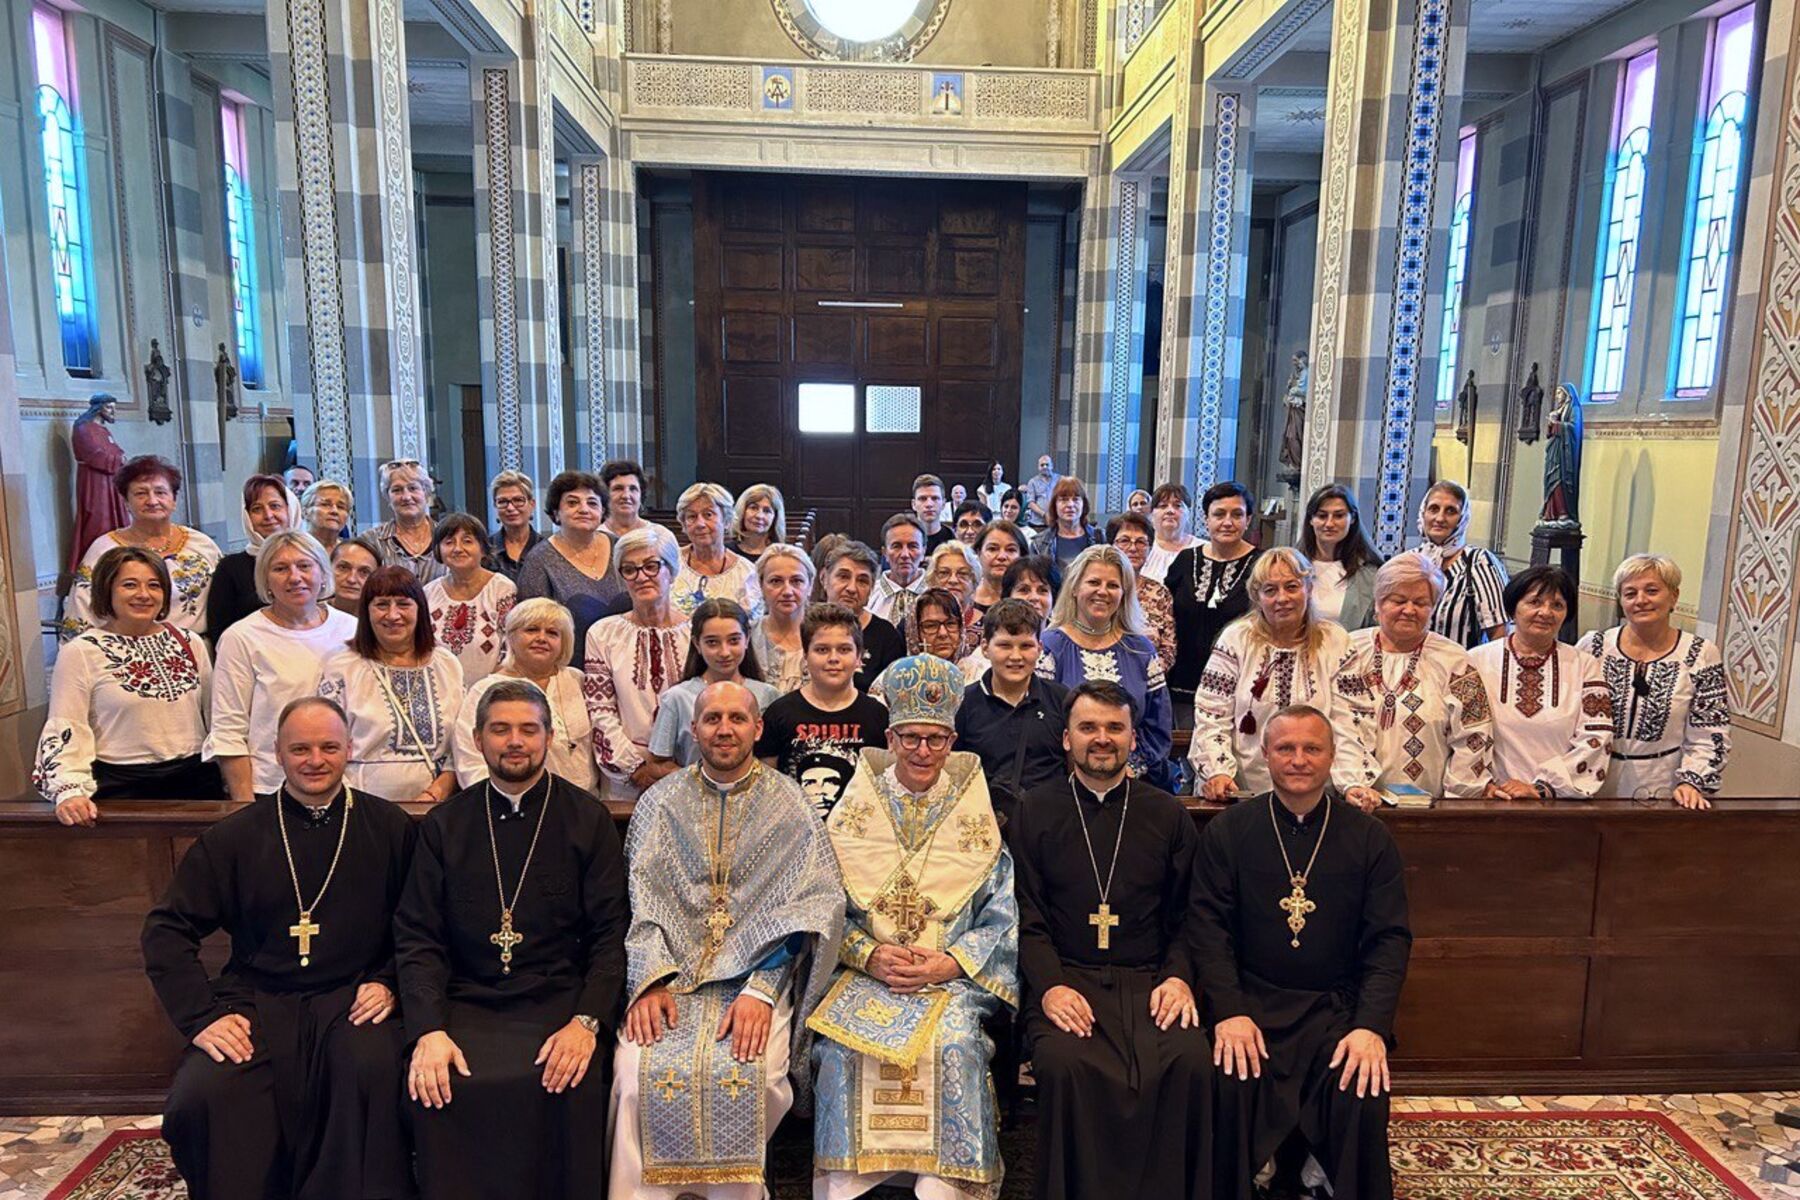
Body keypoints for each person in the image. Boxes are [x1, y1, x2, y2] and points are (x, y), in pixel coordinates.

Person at [144, 697, 416, 1200]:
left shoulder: (390, 828)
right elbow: (166, 930)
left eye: (329, 746)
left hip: (353, 997)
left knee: (372, 1070)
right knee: (203, 1093)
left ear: (349, 749)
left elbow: (420, 925)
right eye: (301, 748)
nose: (316, 759)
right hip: (259, 997)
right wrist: (201, 1017)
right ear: (277, 752)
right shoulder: (236, 836)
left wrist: (389, 980)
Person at [609, 682, 846, 1198]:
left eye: (737, 718)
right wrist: (649, 983)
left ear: (757, 728)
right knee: (633, 1074)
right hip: (670, 978)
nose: (724, 729)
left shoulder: (790, 803)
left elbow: (812, 908)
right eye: (711, 718)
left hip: (757, 978)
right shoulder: (658, 803)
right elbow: (639, 904)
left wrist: (762, 991)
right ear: (692, 730)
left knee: (752, 1076)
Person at [396, 682, 628, 1200]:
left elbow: (612, 934)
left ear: (548, 737)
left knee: (573, 1082)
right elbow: (418, 937)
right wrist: (427, 1030)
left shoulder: (587, 819)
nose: (515, 741)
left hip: (559, 999)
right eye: (501, 729)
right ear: (478, 739)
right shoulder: (444, 825)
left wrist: (587, 1022)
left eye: (529, 729)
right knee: (438, 1083)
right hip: (468, 999)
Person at [810, 655, 1018, 1198]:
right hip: (867, 974)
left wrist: (949, 962)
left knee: (954, 1045)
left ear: (952, 739)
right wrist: (866, 954)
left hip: (948, 979)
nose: (922, 751)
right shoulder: (853, 811)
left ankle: (943, 1188)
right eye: (910, 738)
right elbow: (826, 909)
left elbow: (1001, 913)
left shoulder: (975, 811)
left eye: (935, 739)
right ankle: (851, 1187)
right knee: (841, 1049)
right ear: (890, 737)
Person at [1193, 705, 1412, 1200]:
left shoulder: (1369, 838)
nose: (1298, 760)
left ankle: (1324, 1175)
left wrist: (1370, 1027)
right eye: (1285, 748)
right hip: (1252, 1003)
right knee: (1227, 1075)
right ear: (1265, 755)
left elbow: (1389, 940)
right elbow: (1208, 930)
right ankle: (1255, 1173)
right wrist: (1228, 1011)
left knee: (1362, 1083)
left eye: (1312, 748)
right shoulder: (1230, 832)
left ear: (1332, 756)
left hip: (1335, 1008)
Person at [1014, 682, 1210, 1199]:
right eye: (1088, 727)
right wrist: (1050, 987)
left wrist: (1178, 977)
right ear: (1065, 739)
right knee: (1062, 1064)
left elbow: (1190, 913)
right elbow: (1025, 913)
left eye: (1114, 727)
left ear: (1133, 738)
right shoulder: (1035, 809)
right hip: (1068, 978)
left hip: (1150, 979)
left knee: (1188, 1059)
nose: (1102, 739)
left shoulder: (1167, 814)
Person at [36, 546, 221, 824]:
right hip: (122, 789)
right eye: (130, 585)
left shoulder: (189, 642)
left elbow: (213, 716)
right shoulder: (82, 652)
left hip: (197, 783)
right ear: (107, 590)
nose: (144, 595)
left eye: (154, 585)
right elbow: (66, 724)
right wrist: (69, 789)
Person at [1329, 555, 1496, 803]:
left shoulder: (1455, 661)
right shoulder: (1349, 650)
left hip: (1428, 808)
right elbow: (1340, 725)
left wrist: (1459, 798)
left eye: (1421, 602)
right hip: (1354, 802)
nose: (1409, 610)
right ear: (1378, 604)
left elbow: (1474, 735)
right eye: (1398, 600)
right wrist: (1354, 784)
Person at [206, 531, 358, 802]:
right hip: (271, 788)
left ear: (323, 573)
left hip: (348, 786)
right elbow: (228, 730)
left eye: (304, 566)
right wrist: (244, 806)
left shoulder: (352, 629)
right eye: (280, 568)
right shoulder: (241, 638)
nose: (295, 577)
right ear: (265, 579)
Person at [1192, 549, 1352, 799]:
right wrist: (1218, 771)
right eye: (1270, 590)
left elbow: (1349, 719)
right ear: (1257, 597)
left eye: (1292, 587)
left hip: (1317, 791)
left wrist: (1351, 782)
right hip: (1241, 791)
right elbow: (1211, 713)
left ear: (1309, 589)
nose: (1282, 598)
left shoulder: (1335, 640)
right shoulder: (1236, 639)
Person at [1577, 554, 1729, 807]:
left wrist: (1692, 781)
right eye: (1630, 593)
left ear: (1674, 596)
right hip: (1590, 778)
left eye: (1651, 590)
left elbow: (1711, 729)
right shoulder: (1594, 646)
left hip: (1663, 784)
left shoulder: (1700, 653)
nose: (1641, 600)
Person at [318, 566, 464, 804]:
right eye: (382, 604)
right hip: (361, 804)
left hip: (436, 805)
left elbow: (462, 740)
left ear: (420, 610)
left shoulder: (446, 664)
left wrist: (436, 793)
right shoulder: (342, 665)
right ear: (366, 612)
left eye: (403, 604)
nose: (393, 615)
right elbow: (325, 741)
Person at [1038, 545, 1175, 789]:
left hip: (1134, 782)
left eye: (1112, 585)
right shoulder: (1050, 646)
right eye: (1093, 582)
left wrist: (1129, 769)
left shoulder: (1141, 650)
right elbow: (1042, 724)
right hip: (1064, 784)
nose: (1103, 592)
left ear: (1124, 594)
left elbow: (1158, 725)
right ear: (1075, 588)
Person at [1470, 566, 1613, 799]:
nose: (1545, 612)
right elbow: (1461, 733)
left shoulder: (1584, 665)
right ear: (1513, 608)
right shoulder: (1476, 661)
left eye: (1557, 605)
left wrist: (1542, 787)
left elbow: (1597, 737)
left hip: (1559, 803)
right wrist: (1480, 784)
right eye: (1535, 602)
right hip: (1490, 798)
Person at [583, 525, 691, 802]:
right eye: (630, 570)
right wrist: (637, 770)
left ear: (673, 569)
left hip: (690, 774)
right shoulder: (603, 633)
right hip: (626, 782)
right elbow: (600, 711)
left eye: (652, 566)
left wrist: (685, 773)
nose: (641, 576)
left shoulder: (698, 631)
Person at [63, 455, 224, 640]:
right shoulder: (104, 550)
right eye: (141, 493)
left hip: (197, 652)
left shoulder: (202, 545)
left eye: (160, 492)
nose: (152, 501)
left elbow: (225, 600)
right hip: (128, 655)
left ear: (174, 500)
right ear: (125, 502)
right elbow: (81, 611)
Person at [756, 602, 890, 819]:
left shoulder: (878, 716)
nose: (833, 658)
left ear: (859, 657)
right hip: (796, 830)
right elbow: (766, 787)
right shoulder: (779, 713)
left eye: (844, 649)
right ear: (805, 656)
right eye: (822, 649)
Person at [453, 598, 597, 793]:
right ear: (511, 637)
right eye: (531, 630)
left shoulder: (578, 680)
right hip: (511, 808)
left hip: (582, 805)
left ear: (564, 643)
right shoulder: (485, 689)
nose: (541, 638)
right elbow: (470, 762)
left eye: (552, 633)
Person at [953, 599, 1069, 820]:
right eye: (1005, 645)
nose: (1016, 656)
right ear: (985, 648)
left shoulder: (1061, 699)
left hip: (1051, 824)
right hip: (981, 825)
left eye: (1026, 646)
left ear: (1040, 649)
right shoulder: (963, 704)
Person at [1167, 482, 1266, 722]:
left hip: (1238, 684)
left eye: (1237, 514)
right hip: (1181, 685)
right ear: (1206, 519)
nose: (1227, 522)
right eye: (1219, 514)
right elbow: (1165, 614)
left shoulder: (1262, 564)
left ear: (1248, 519)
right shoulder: (1185, 559)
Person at [648, 599, 780, 771]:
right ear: (697, 644)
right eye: (712, 642)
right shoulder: (677, 698)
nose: (724, 652)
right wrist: (697, 783)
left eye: (733, 641)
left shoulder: (769, 696)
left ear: (746, 639)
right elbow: (657, 762)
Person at [517, 469, 627, 653]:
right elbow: (532, 625)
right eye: (572, 503)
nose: (584, 509)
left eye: (592, 503)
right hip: (569, 666)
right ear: (556, 513)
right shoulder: (540, 560)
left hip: (626, 657)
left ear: (602, 512)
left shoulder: (620, 548)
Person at [205, 475, 300, 646]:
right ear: (247, 517)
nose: (268, 515)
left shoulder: (311, 560)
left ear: (290, 509)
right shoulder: (230, 568)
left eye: (275, 506)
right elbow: (219, 631)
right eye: (257, 509)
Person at [425, 513, 518, 682]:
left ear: (483, 549)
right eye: (449, 542)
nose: (458, 548)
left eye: (467, 541)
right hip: (441, 692)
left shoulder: (502, 589)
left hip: (492, 692)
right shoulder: (428, 593)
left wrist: (487, 689)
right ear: (438, 550)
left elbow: (512, 649)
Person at [1415, 480, 1509, 648]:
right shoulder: (1409, 561)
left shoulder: (1479, 562)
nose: (1440, 518)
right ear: (1423, 513)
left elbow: (1498, 633)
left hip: (1461, 669)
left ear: (1463, 518)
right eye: (1434, 509)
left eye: (1451, 511)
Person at [673, 482, 764, 619]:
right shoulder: (668, 564)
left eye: (708, 515)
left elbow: (752, 627)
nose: (700, 524)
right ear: (684, 525)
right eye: (692, 517)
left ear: (726, 521)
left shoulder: (747, 573)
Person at [1299, 484, 1382, 630]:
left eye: (1339, 515)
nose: (1329, 523)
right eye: (1322, 515)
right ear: (1311, 520)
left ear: (1353, 518)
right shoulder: (1291, 566)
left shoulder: (1372, 574)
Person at [68, 393, 130, 573]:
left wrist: (121, 457)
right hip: (94, 482)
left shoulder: (103, 430)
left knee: (114, 519)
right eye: (109, 407)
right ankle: (95, 563)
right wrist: (118, 460)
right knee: (98, 519)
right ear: (98, 407)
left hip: (110, 482)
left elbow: (114, 449)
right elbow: (93, 455)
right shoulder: (83, 428)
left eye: (114, 408)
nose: (113, 412)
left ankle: (114, 559)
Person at [873, 588, 969, 703]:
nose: (943, 633)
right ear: (914, 632)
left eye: (951, 624)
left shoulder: (977, 674)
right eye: (931, 626)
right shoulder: (895, 678)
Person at [1108, 511, 1177, 671]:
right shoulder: (1099, 589)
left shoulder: (1159, 593)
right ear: (1111, 546)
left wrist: (1146, 676)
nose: (1133, 548)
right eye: (1124, 541)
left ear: (1150, 549)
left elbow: (1168, 648)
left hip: (1148, 680)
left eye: (1141, 542)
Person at [368, 459, 446, 584]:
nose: (406, 497)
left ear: (426, 493)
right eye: (397, 490)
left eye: (413, 488)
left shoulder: (447, 537)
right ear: (387, 497)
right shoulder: (371, 541)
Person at [750, 543, 814, 694]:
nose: (787, 591)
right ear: (761, 585)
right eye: (776, 581)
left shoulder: (827, 635)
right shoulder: (746, 636)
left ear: (810, 586)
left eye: (796, 581)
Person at [915, 540, 983, 657]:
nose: (953, 580)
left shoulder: (989, 627)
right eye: (944, 573)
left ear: (974, 580)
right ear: (932, 579)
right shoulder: (914, 621)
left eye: (962, 574)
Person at [1032, 475, 1103, 572]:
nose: (1070, 505)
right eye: (1064, 499)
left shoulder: (1100, 538)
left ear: (1084, 504)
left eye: (1076, 499)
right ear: (1054, 505)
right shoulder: (1039, 543)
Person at [868, 513, 928, 627]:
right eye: (896, 546)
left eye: (912, 546)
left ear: (923, 552)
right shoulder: (869, 596)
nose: (905, 554)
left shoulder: (938, 595)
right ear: (885, 552)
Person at [1143, 483, 1202, 587]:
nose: (1170, 511)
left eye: (1177, 505)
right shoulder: (1142, 547)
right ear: (1151, 514)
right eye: (1163, 506)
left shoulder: (1202, 549)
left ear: (1188, 514)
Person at [487, 470, 542, 582]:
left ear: (532, 504)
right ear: (495, 507)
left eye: (518, 500)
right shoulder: (485, 549)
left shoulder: (547, 549)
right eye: (502, 502)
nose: (510, 508)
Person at [970, 519, 1028, 615]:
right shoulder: (966, 599)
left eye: (1010, 550)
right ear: (978, 552)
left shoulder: (1030, 600)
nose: (1002, 556)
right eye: (992, 549)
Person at [727, 482, 786, 564]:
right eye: (753, 508)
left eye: (767, 511)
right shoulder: (726, 553)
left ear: (775, 518)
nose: (759, 516)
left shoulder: (782, 555)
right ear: (742, 511)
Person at [329, 536, 381, 617]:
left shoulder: (383, 619)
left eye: (364, 572)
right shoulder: (309, 614)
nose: (351, 579)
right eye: (343, 568)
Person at [300, 479, 354, 555]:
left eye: (340, 507)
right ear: (305, 512)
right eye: (325, 504)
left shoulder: (352, 552)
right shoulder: (293, 548)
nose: (334, 511)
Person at [600, 459, 649, 538]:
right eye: (618, 488)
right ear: (605, 494)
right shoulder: (593, 537)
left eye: (633, 489)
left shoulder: (662, 536)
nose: (626, 496)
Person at [912, 473, 953, 552]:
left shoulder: (953, 541)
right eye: (923, 499)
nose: (929, 504)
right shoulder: (902, 539)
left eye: (935, 498)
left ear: (943, 504)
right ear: (914, 504)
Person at [1022, 453, 1059, 530]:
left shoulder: (1060, 480)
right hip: (1037, 523)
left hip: (1057, 522)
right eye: (1042, 465)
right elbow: (1030, 503)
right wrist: (1044, 514)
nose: (1045, 467)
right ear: (1038, 467)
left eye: (1047, 464)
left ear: (1052, 466)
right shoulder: (1032, 482)